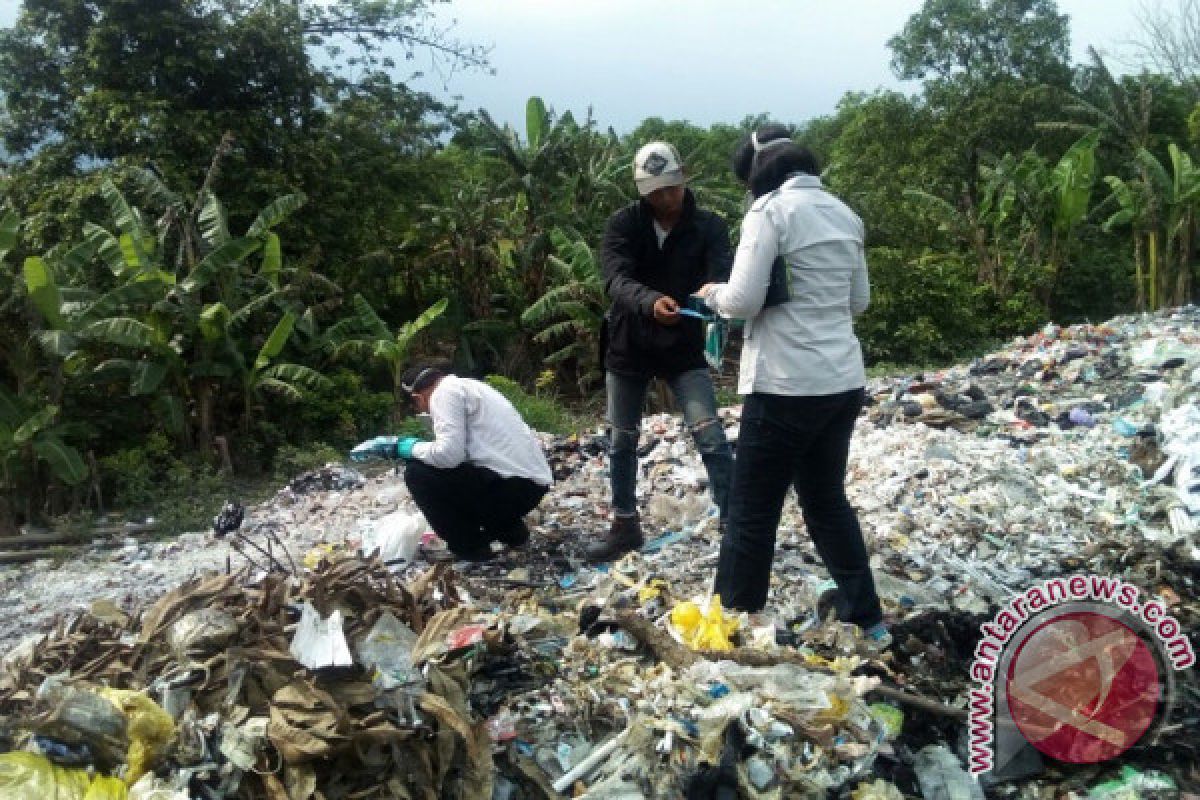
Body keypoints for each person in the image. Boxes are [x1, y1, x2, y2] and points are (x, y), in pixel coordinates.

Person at [695, 132, 888, 644]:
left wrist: (711, 293)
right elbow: (859, 301)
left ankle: (732, 626)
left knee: (750, 511)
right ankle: (864, 614)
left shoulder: (769, 212)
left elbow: (741, 301)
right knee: (826, 501)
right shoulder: (845, 214)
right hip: (841, 380)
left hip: (785, 385)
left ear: (758, 175)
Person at [589, 140, 735, 562]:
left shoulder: (709, 226)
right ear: (641, 190)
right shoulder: (623, 225)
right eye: (655, 192)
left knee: (708, 430)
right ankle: (624, 524)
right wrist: (650, 301)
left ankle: (733, 522)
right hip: (629, 341)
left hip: (683, 342)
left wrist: (697, 301)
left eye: (671, 188)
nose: (665, 199)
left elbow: (721, 279)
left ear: (683, 177)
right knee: (621, 438)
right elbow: (615, 279)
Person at [351, 366, 553, 562]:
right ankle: (511, 533)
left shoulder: (443, 394)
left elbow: (448, 456)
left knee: (417, 473)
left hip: (512, 491)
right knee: (455, 475)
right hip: (530, 486)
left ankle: (470, 548)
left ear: (417, 398)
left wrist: (403, 447)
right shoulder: (470, 386)